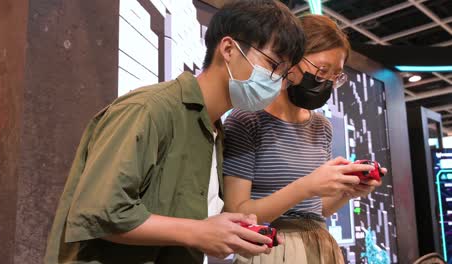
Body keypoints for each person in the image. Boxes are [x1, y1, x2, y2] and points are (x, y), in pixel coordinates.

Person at [44, 1, 306, 263]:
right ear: (228, 49)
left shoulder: (214, 132)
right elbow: (100, 212)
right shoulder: (149, 109)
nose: (277, 83)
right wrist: (198, 232)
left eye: (283, 75)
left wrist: (227, 231)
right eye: (273, 65)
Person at [223, 14, 386, 264]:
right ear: (291, 59)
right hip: (271, 247)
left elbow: (315, 210)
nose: (326, 83)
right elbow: (238, 212)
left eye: (335, 76)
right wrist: (307, 185)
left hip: (320, 246)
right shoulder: (247, 119)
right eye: (321, 71)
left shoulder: (321, 126)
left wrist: (347, 192)